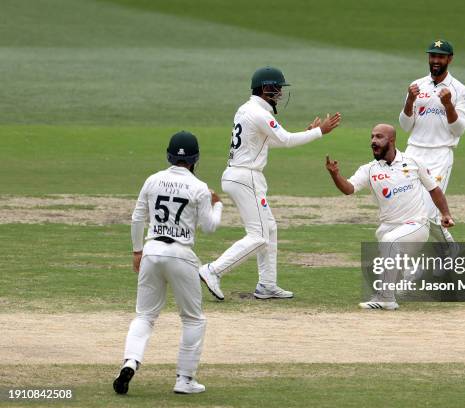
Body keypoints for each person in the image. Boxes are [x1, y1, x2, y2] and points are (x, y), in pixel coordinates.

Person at [199, 66, 341, 301]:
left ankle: (267, 285)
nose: (280, 94)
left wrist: (307, 133)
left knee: (269, 228)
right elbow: (284, 140)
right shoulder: (260, 113)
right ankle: (213, 270)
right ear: (266, 88)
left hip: (239, 176)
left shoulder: (246, 109)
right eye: (277, 88)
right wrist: (319, 133)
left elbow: (268, 141)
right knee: (259, 235)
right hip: (247, 178)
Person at [113, 131, 223, 395]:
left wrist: (137, 251)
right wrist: (217, 204)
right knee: (193, 320)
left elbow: (137, 218)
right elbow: (209, 227)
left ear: (169, 156)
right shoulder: (199, 187)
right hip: (181, 255)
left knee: (145, 315)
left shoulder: (153, 180)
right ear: (196, 159)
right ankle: (184, 380)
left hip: (151, 251)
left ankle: (130, 361)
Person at [325, 124, 454, 310]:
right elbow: (349, 189)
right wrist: (336, 175)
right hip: (388, 227)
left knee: (390, 242)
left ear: (391, 140)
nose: (373, 141)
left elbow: (434, 190)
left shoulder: (413, 162)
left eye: (379, 137)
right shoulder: (369, 170)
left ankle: (386, 299)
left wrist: (446, 214)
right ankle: (413, 276)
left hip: (417, 225)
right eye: (371, 137)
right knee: (390, 249)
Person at [399, 39, 465, 246]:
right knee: (409, 209)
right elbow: (405, 125)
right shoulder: (417, 85)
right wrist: (410, 101)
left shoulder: (459, 90)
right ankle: (449, 251)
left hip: (439, 154)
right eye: (432, 56)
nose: (435, 60)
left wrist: (448, 105)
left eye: (440, 56)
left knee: (427, 212)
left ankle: (442, 253)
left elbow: (459, 129)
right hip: (413, 152)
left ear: (450, 59)